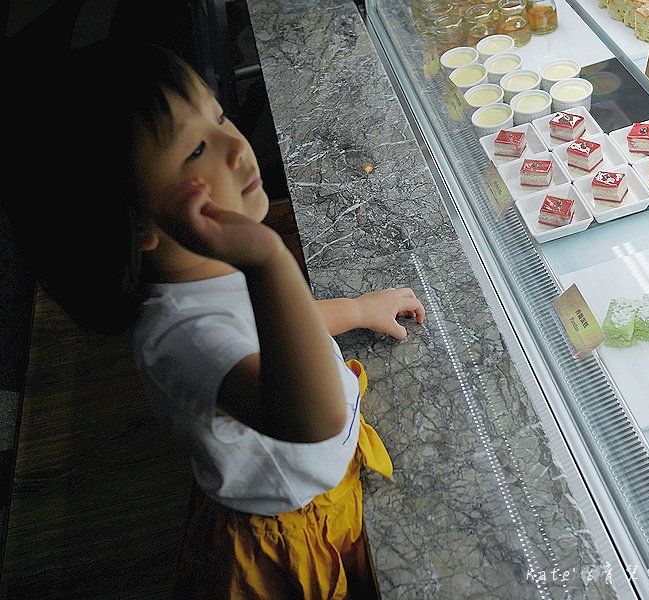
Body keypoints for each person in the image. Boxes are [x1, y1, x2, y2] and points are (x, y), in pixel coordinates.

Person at [7, 40, 425, 599]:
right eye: (196, 148)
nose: (236, 146)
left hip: (317, 483)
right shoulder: (184, 337)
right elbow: (312, 416)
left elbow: (276, 333)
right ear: (136, 230)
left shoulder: (206, 267)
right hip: (292, 533)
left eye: (221, 114)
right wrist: (270, 258)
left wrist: (354, 310)